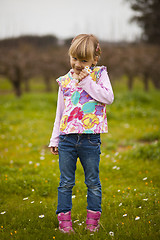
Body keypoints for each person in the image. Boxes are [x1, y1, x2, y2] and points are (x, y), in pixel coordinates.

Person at [49, 34, 114, 233]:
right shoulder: (64, 81)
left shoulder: (100, 75)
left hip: (90, 139)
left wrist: (87, 83)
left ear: (95, 59)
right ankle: (64, 225)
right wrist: (55, 138)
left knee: (93, 182)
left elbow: (108, 98)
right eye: (74, 58)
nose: (78, 64)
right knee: (65, 182)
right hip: (67, 139)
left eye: (84, 60)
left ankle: (92, 225)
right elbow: (60, 112)